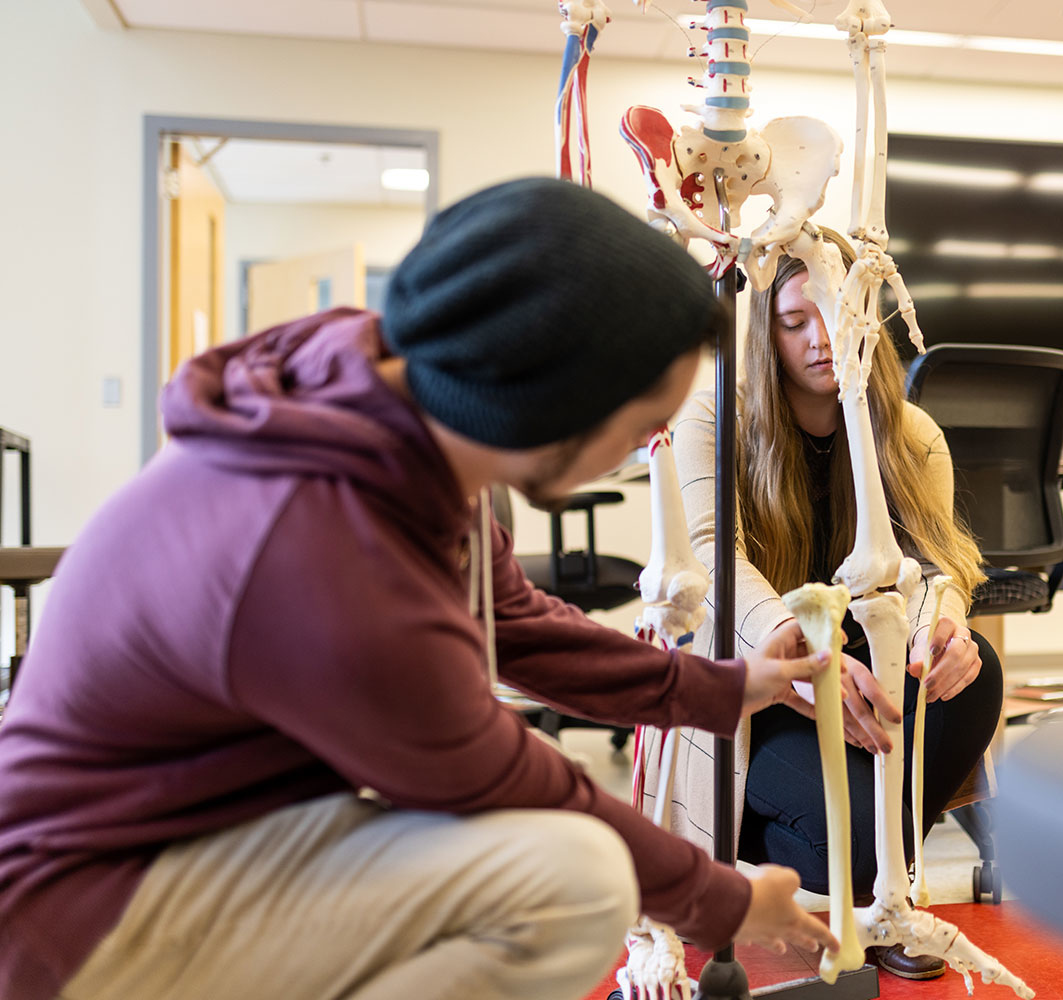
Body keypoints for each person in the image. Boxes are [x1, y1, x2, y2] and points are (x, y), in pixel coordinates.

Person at [0, 178, 840, 1000]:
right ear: (553, 406)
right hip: (76, 917)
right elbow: (512, 777)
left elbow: (516, 622)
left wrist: (729, 686)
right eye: (639, 423)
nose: (644, 445)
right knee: (575, 880)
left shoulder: (393, 405)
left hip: (200, 828)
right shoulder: (320, 557)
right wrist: (727, 901)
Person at [643, 230, 1003, 981]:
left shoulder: (911, 434)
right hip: (757, 694)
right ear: (765, 331)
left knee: (979, 671)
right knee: (851, 855)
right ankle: (843, 870)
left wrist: (949, 621)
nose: (820, 340)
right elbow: (709, 552)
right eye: (794, 321)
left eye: (836, 316)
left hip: (866, 691)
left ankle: (882, 887)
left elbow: (936, 559)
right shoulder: (717, 418)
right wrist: (791, 654)